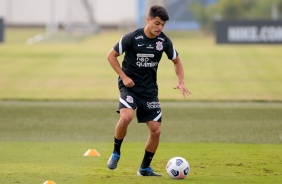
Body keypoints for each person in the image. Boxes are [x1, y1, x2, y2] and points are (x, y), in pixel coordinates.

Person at [106, 5, 191, 176]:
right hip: (129, 87)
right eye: (157, 23)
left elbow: (177, 61)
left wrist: (181, 81)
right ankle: (116, 152)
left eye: (163, 25)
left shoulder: (164, 42)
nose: (159, 28)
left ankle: (144, 168)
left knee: (156, 130)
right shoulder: (132, 37)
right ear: (148, 20)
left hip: (149, 91)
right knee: (126, 116)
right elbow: (111, 56)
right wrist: (124, 77)